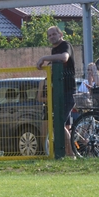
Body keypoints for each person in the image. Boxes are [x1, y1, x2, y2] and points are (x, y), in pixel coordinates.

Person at [36, 26, 77, 157]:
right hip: (58, 91)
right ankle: (67, 153)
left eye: (54, 34)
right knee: (60, 123)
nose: (52, 37)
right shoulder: (54, 50)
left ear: (60, 34)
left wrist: (44, 58)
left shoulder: (66, 45)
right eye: (49, 35)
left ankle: (71, 154)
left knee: (59, 123)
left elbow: (65, 58)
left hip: (68, 91)